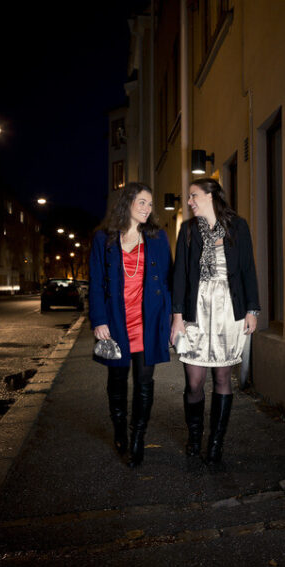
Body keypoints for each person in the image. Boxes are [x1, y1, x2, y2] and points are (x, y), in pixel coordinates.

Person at [170, 178, 260, 466]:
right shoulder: (188, 230)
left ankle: (216, 442)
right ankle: (195, 436)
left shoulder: (238, 227)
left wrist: (252, 310)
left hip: (228, 310)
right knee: (194, 381)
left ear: (210, 196)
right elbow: (180, 276)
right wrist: (177, 318)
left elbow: (248, 269)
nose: (189, 202)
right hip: (195, 311)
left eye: (194, 195)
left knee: (222, 378)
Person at [88, 182, 172, 468]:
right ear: (127, 203)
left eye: (150, 204)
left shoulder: (158, 238)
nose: (148, 208)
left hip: (148, 320)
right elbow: (96, 283)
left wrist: (171, 319)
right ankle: (120, 429)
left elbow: (167, 281)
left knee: (144, 383)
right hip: (116, 321)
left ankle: (138, 437)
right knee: (117, 380)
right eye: (142, 202)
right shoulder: (104, 239)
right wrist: (99, 319)